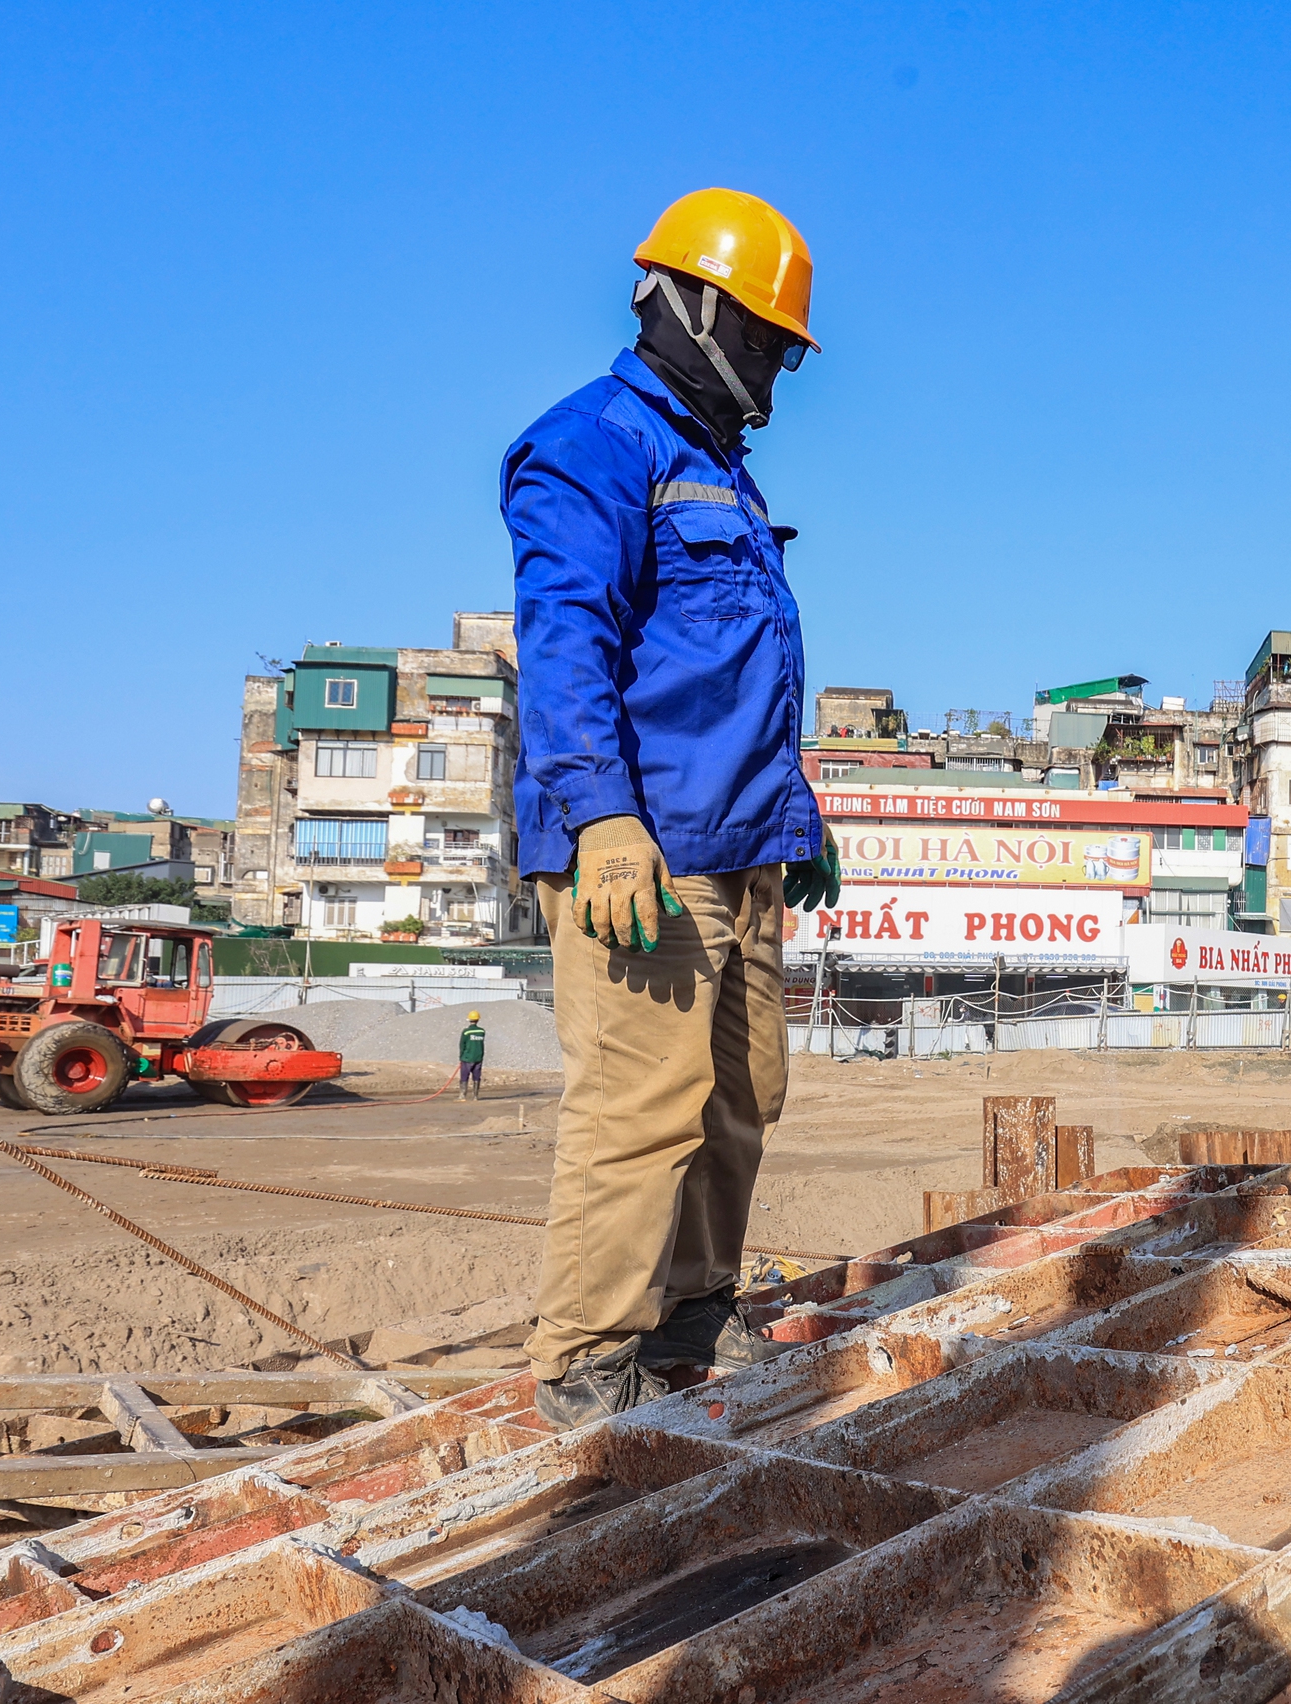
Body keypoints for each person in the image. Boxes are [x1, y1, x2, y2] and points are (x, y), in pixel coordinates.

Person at [503, 188, 845, 1429]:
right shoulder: (593, 443)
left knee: (743, 1096)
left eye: (779, 347)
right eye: (759, 336)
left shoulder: (724, 476)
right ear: (689, 306)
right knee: (640, 1108)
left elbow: (724, 672)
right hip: (640, 853)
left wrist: (796, 812)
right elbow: (567, 643)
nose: (769, 365)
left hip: (739, 843)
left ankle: (695, 1310)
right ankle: (590, 1356)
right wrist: (600, 821)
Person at [456, 1010, 486, 1101]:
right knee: (476, 1077)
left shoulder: (466, 1032)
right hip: (478, 1058)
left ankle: (462, 1096)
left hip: (467, 1058)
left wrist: (461, 1056)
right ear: (478, 1020)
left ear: (469, 1019)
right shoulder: (482, 1031)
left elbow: (462, 1045)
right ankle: (475, 1096)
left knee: (464, 1076)